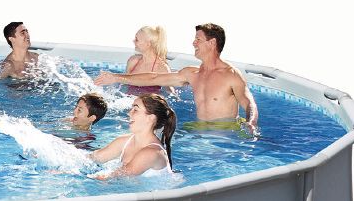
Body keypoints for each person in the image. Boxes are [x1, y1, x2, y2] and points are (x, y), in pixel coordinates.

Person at [95, 23, 258, 129]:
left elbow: (249, 103)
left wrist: (250, 123)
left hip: (225, 133)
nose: (193, 43)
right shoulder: (191, 73)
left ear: (212, 43)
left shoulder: (231, 75)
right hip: (198, 129)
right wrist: (116, 77)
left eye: (198, 39)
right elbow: (154, 78)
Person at [88, 94, 176, 180]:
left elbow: (113, 177)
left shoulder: (152, 153)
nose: (129, 113)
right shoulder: (124, 141)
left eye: (135, 110)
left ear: (151, 118)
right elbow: (94, 158)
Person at [122, 26, 172, 96]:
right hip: (128, 99)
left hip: (147, 102)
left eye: (137, 39)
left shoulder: (161, 68)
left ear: (148, 44)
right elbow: (124, 84)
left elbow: (169, 92)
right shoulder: (133, 61)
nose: (133, 41)